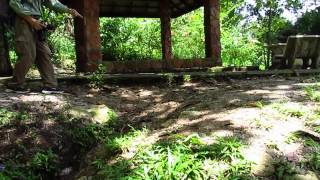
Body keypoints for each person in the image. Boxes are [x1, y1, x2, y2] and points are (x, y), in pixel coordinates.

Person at [7, 0, 82, 93]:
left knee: (44, 52)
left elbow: (51, 2)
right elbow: (13, 3)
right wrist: (31, 20)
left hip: (38, 20)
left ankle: (50, 86)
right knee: (28, 53)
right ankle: (16, 84)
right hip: (24, 20)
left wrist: (69, 10)